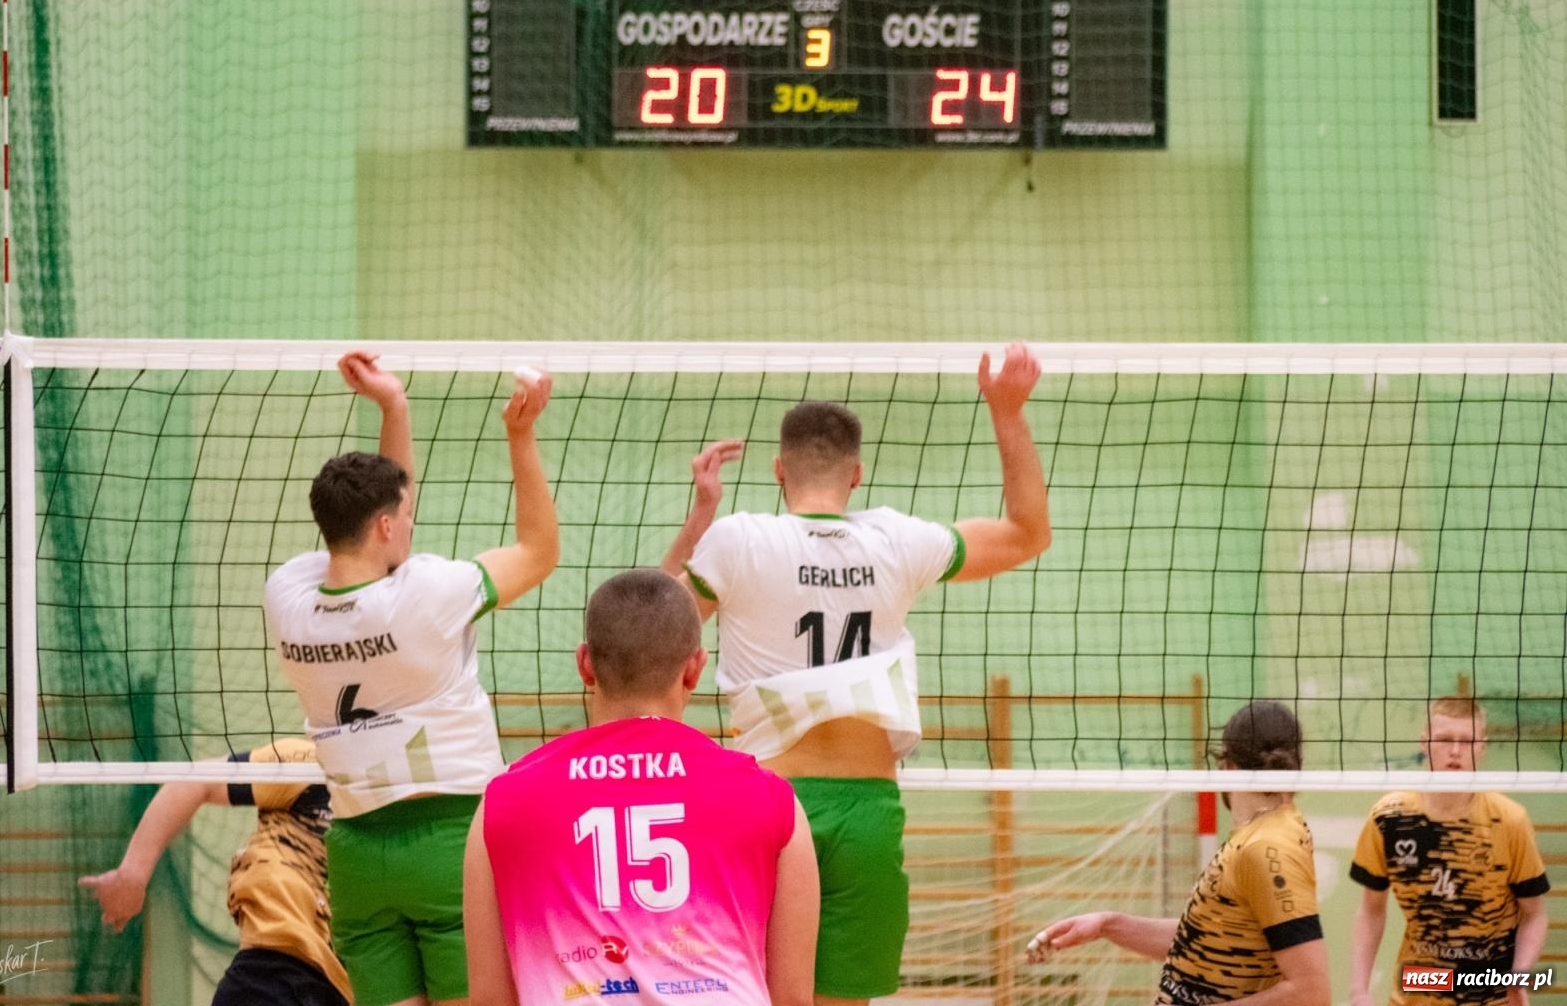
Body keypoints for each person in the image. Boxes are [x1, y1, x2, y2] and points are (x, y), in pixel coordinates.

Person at [661, 342, 1051, 1005]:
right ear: (857, 474)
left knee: (749, 992)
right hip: (865, 806)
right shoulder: (898, 539)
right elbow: (1026, 532)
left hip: (766, 803)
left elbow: (653, 627)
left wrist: (701, 518)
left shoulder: (738, 539)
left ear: (779, 470)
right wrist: (1007, 410)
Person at [264, 352, 558, 1006]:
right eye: (404, 513)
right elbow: (540, 552)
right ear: (388, 525)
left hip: (357, 851)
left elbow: (369, 537)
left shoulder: (286, 596)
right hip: (454, 842)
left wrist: (393, 409)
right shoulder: (427, 595)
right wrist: (520, 434)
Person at [464, 568, 819, 1006]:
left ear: (585, 664)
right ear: (694, 669)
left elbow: (488, 999)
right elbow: (793, 998)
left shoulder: (503, 802)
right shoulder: (772, 799)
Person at [1027, 700, 1329, 1006]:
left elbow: (1311, 993)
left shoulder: (1267, 848)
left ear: (1227, 766)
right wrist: (1109, 924)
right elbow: (1205, 942)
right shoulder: (1260, 835)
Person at [79, 738, 350, 1006]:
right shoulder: (311, 764)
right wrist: (132, 875)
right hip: (272, 973)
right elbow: (197, 781)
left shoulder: (390, 804)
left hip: (347, 989)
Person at [1349, 695, 1551, 1006]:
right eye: (1444, 740)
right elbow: (1371, 910)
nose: (1455, 751)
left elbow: (1534, 915)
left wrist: (1520, 976)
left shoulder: (1509, 820)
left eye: (1467, 741)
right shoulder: (1389, 818)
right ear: (1424, 743)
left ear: (1482, 747)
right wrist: (1359, 990)